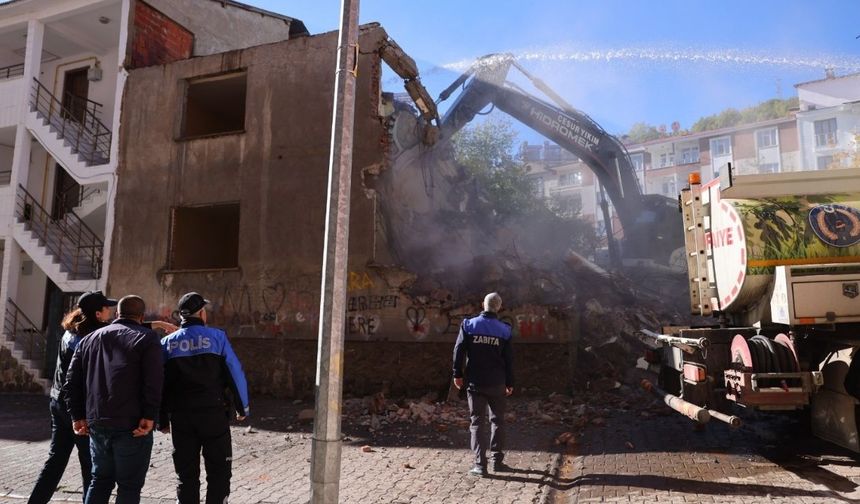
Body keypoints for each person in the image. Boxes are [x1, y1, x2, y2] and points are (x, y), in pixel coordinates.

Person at [64, 295, 164, 504]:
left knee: (99, 480)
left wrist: (77, 415)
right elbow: (153, 380)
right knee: (129, 486)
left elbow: (71, 382)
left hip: (97, 422)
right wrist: (149, 415)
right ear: (141, 316)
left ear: (117, 314)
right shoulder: (147, 338)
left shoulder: (89, 339)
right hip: (133, 424)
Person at [159, 292, 249, 504]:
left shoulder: (167, 343)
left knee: (186, 475)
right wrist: (242, 406)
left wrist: (162, 419)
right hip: (213, 415)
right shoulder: (217, 337)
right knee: (219, 472)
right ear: (201, 313)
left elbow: (159, 384)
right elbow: (235, 372)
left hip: (181, 418)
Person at [28, 291, 117, 503]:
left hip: (58, 403)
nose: (110, 311)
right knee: (91, 464)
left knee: (56, 461)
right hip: (78, 409)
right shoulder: (91, 339)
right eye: (107, 308)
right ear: (97, 313)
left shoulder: (72, 331)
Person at [452, 292, 514, 477]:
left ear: (483, 304)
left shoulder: (469, 325)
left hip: (475, 382)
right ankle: (497, 461)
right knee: (497, 420)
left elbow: (458, 350)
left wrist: (457, 373)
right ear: (499, 307)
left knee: (477, 422)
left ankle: (480, 465)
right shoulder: (505, 330)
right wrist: (510, 382)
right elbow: (509, 360)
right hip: (497, 383)